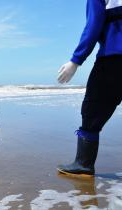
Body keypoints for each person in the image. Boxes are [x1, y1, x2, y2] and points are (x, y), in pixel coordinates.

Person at [57, 0, 122, 176]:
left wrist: (76, 60)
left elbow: (94, 24)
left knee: (92, 111)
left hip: (114, 58)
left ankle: (83, 164)